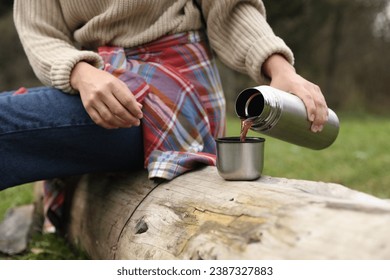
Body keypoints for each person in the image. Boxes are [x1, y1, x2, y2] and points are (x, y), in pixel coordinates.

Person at [1, 0, 328, 192]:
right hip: (97, 82)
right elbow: (39, 32)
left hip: (177, 90)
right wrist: (81, 72)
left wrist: (280, 68)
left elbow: (231, 8)